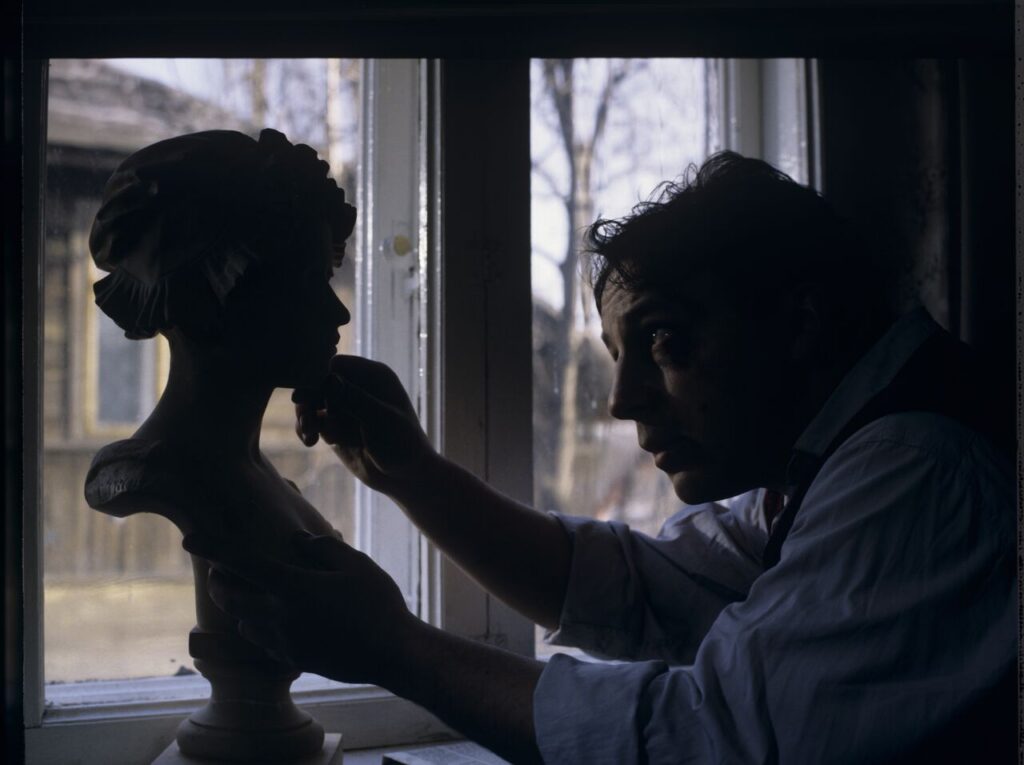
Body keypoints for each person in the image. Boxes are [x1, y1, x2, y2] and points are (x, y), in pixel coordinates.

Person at [186, 153, 1016, 764]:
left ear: (802, 322)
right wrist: (414, 476)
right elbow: (651, 587)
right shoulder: (839, 453)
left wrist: (392, 647)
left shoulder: (924, 468)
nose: (623, 401)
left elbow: (707, 741)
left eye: (663, 339)